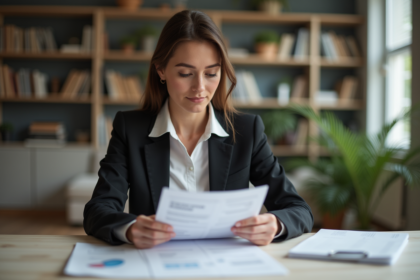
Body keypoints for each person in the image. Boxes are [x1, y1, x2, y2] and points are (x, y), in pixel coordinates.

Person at [84, 9, 313, 249]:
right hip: (155, 265)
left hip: (226, 266)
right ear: (161, 70)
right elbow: (97, 211)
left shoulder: (247, 131)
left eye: (211, 73)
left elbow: (299, 210)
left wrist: (275, 224)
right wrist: (130, 229)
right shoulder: (130, 129)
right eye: (185, 73)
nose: (200, 88)